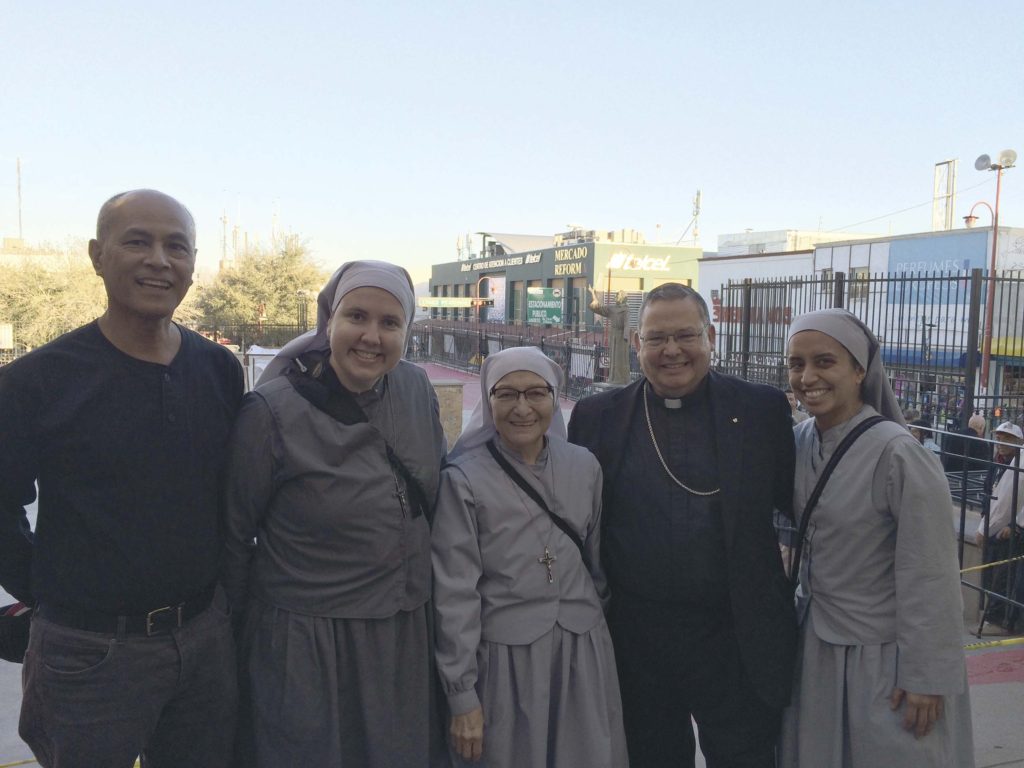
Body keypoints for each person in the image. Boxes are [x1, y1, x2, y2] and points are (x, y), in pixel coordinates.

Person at [0, 189, 243, 767]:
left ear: (192, 264)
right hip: (88, 656)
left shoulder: (218, 370)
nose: (159, 259)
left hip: (205, 643)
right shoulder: (36, 382)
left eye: (176, 246)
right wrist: (53, 596)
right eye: (138, 241)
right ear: (97, 254)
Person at [221, 260, 447, 767]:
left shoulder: (415, 390)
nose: (371, 336)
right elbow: (234, 537)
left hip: (401, 638)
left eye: (390, 323)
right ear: (330, 322)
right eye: (357, 317)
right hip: (309, 648)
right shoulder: (272, 410)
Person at [568, 282, 796, 768]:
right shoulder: (595, 417)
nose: (672, 350)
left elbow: (799, 506)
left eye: (686, 335)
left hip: (734, 637)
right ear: (636, 344)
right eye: (656, 338)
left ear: (711, 336)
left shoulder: (761, 410)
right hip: (637, 639)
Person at [781, 308, 973, 767]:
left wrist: (927, 676)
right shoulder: (798, 441)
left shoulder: (899, 455)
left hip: (885, 662)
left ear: (860, 370)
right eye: (796, 363)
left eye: (825, 362)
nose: (808, 376)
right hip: (816, 653)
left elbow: (931, 575)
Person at [432, 346, 628, 767]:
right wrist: (462, 694)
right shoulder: (463, 479)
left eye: (536, 393)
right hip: (507, 665)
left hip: (581, 654)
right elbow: (456, 594)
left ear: (555, 398)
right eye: (507, 394)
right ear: (489, 401)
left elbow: (595, 565)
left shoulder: (584, 466)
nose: (522, 408)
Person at [973, 421, 1024, 631]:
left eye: (1008, 439)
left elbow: (1013, 499)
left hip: (1008, 527)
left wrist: (1015, 524)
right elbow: (991, 495)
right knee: (991, 572)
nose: (1001, 443)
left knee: (1004, 575)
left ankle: (998, 619)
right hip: (994, 523)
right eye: (1000, 438)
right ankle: (993, 615)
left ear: (1019, 441)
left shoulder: (1018, 462)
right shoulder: (997, 462)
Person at [588, 286, 631, 385]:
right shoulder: (612, 308)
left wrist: (625, 335)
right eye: (616, 296)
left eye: (618, 296)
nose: (616, 297)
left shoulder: (626, 309)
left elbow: (627, 323)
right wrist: (593, 294)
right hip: (614, 335)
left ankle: (621, 379)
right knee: (613, 357)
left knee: (620, 357)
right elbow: (599, 308)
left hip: (621, 337)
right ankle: (613, 378)